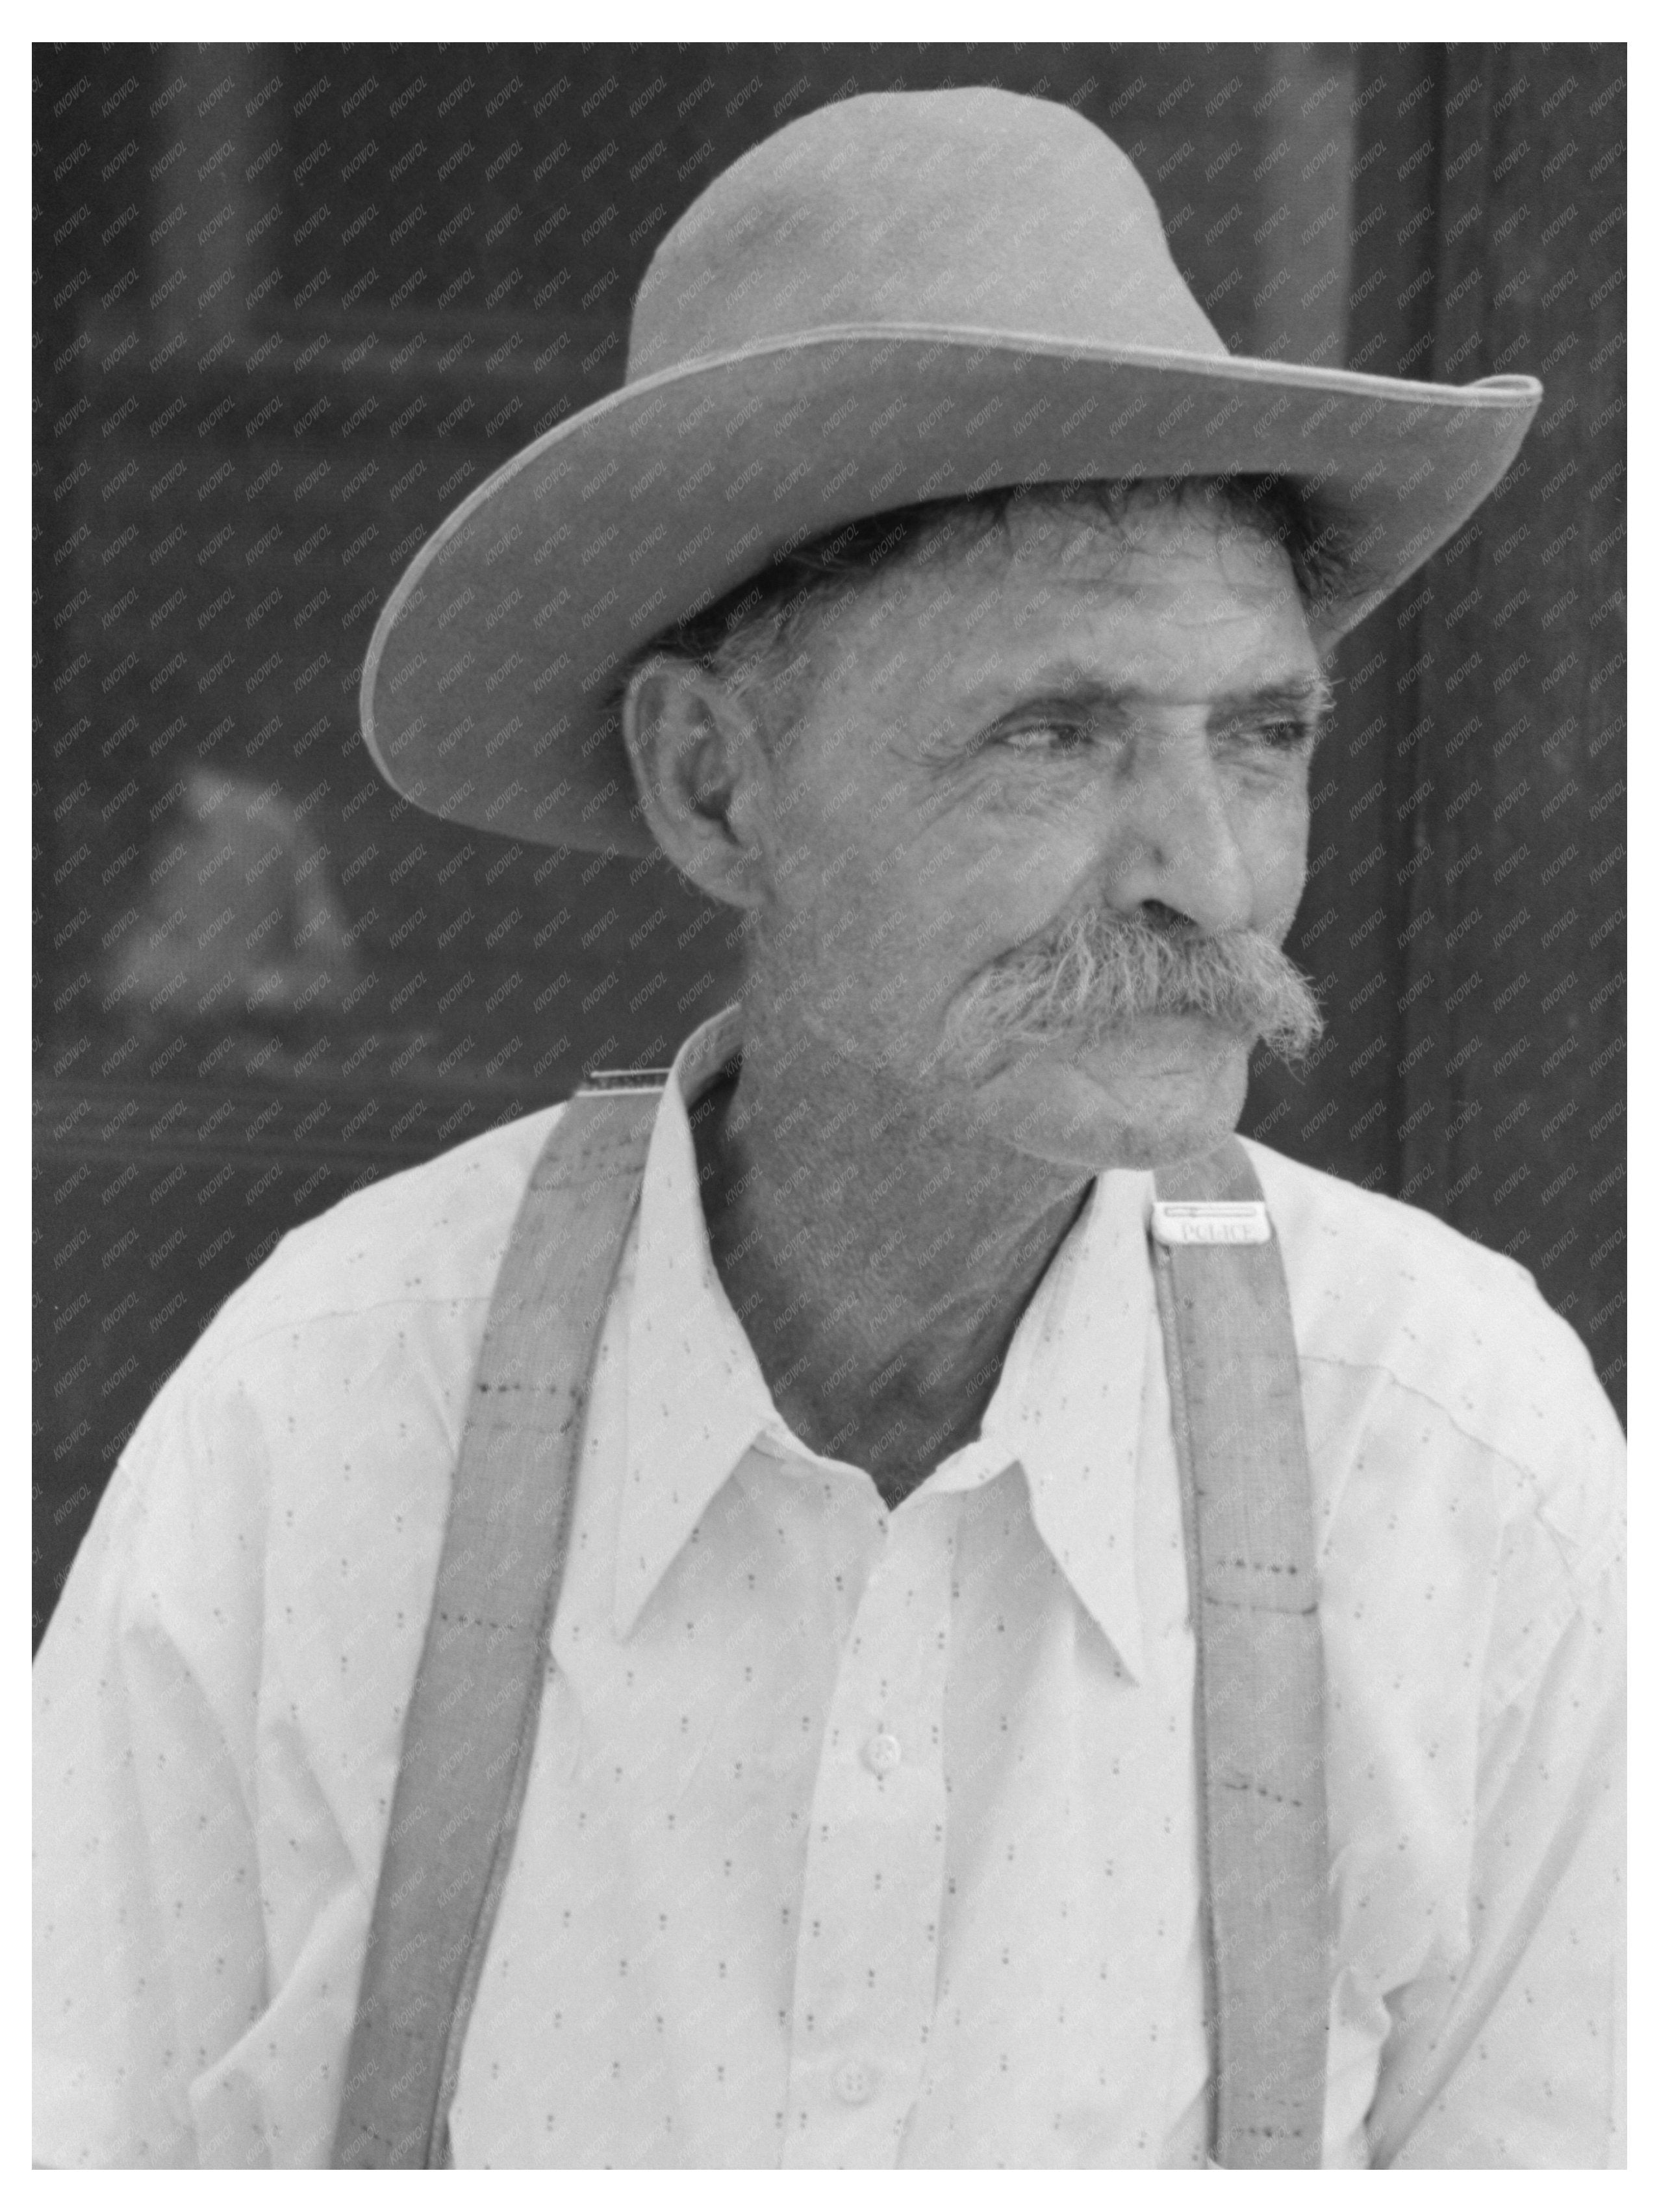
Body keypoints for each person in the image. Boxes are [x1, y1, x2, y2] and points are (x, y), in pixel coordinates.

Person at [34, 86, 1623, 2169]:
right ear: (712, 786)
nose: (1209, 877)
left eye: (1263, 735)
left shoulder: (1452, 1447)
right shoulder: (333, 1411)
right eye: (1053, 735)